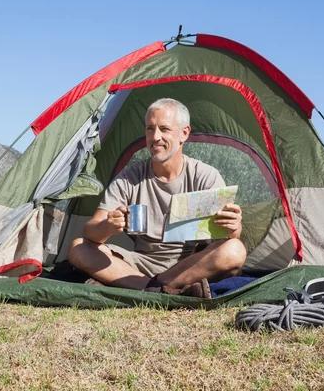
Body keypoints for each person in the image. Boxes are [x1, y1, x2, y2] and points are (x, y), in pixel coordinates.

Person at [68, 98, 246, 298]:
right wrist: (108, 226)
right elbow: (91, 231)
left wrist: (234, 226)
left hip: (191, 263)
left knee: (235, 250)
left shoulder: (205, 175)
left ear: (184, 133)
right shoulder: (130, 177)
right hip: (140, 264)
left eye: (164, 129)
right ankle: (160, 289)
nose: (155, 137)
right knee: (79, 248)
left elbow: (230, 235)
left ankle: (149, 288)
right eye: (150, 129)